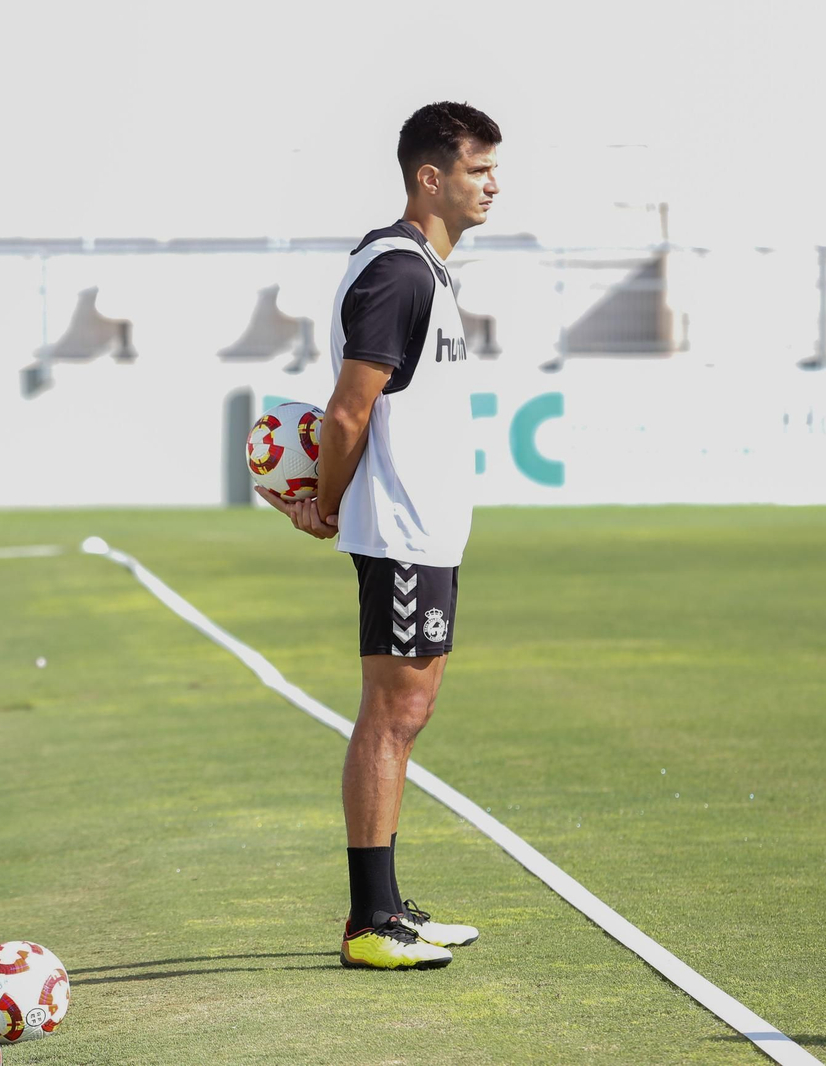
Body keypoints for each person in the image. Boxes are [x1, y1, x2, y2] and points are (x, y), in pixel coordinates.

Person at [258, 101, 501, 970]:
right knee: (390, 715)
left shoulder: (425, 271)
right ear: (430, 177)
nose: (493, 185)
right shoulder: (398, 273)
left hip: (425, 530)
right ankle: (369, 923)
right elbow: (347, 411)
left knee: (410, 713)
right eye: (477, 170)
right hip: (399, 529)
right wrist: (326, 505)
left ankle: (390, 907)